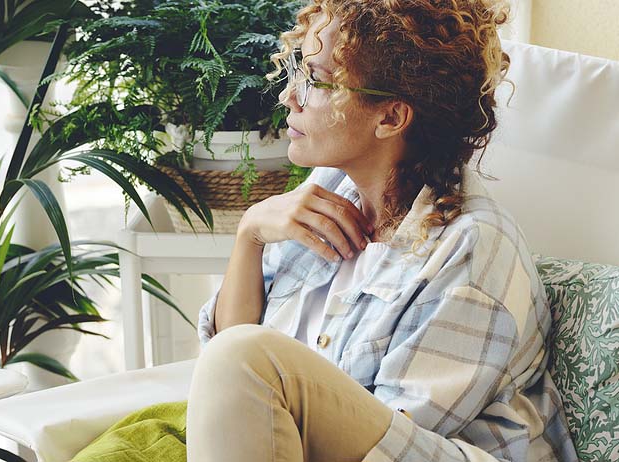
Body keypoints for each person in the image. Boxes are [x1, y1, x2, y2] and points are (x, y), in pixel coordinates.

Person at [186, 1, 579, 461]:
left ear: (390, 117)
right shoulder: (325, 194)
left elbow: (381, 436)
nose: (289, 97)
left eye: (316, 80)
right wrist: (250, 234)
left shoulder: (473, 248)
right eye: (298, 69)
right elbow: (229, 379)